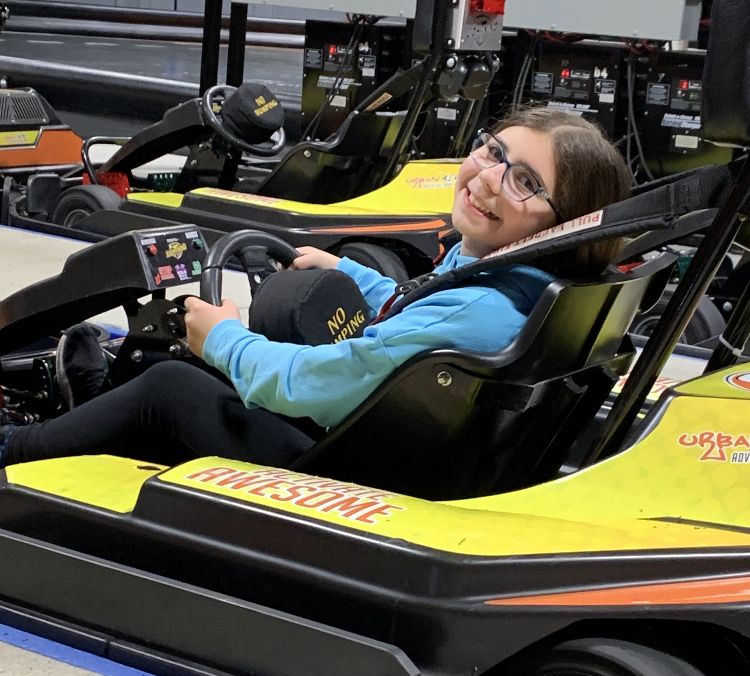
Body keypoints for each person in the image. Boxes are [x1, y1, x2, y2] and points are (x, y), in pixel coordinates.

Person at [0, 108, 631, 469]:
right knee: (200, 362)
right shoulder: (518, 284)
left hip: (344, 465)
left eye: (525, 182)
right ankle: (94, 410)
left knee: (172, 383)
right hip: (401, 441)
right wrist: (349, 273)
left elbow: (317, 384)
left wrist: (224, 339)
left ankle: (16, 449)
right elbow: (419, 306)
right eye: (494, 152)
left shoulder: (477, 310)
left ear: (566, 223)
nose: (490, 178)